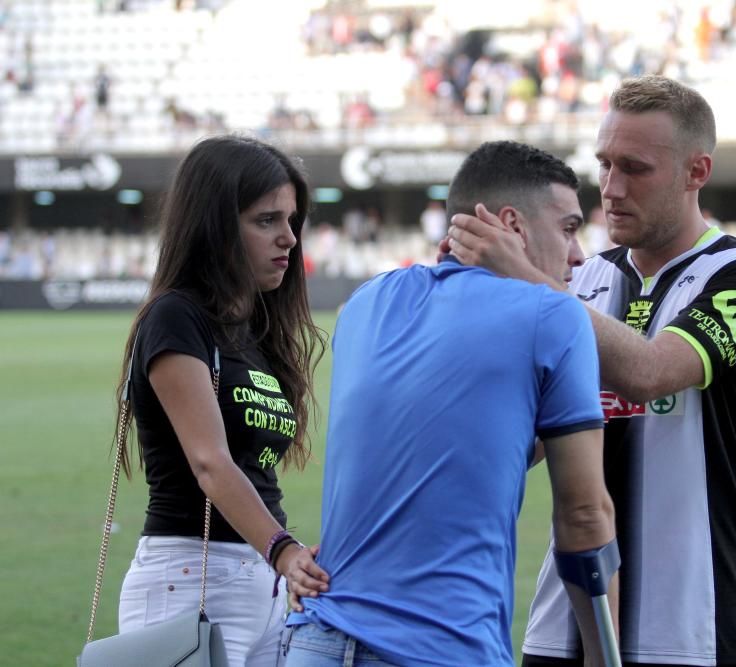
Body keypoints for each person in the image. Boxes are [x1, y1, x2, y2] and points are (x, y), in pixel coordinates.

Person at [448, 75, 736, 667]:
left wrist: (523, 278)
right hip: (562, 623)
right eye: (604, 165)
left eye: (635, 168)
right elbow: (513, 443)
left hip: (693, 627)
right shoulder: (578, 279)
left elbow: (652, 371)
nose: (611, 188)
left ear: (696, 172)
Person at [284, 141, 619, 666]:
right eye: (570, 229)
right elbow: (583, 514)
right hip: (442, 647)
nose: (579, 255)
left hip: (315, 641)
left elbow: (450, 437)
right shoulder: (555, 315)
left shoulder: (366, 303)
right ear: (512, 226)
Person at [113, 134, 330, 666]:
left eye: (292, 221)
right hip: (189, 578)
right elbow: (210, 461)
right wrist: (283, 550)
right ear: (215, 226)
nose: (288, 238)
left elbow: (255, 473)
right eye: (266, 220)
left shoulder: (253, 333)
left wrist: (280, 558)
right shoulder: (176, 318)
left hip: (259, 580)